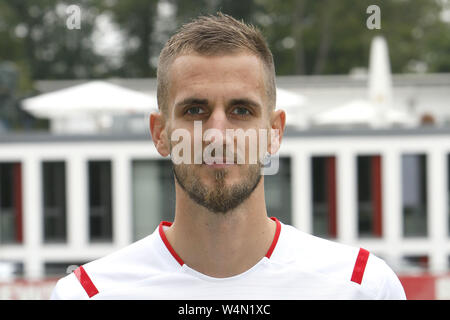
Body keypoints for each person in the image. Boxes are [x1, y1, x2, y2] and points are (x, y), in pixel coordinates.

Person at [50, 12, 406, 300]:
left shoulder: (362, 286)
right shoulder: (88, 293)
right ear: (160, 134)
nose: (217, 135)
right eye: (194, 111)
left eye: (240, 111)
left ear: (274, 132)